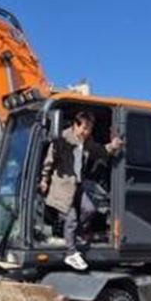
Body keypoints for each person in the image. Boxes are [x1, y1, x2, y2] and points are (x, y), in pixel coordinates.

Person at [38, 111, 123, 271]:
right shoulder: (62, 139)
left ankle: (76, 235)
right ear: (75, 125)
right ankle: (71, 253)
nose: (87, 132)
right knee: (71, 218)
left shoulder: (87, 140)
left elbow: (99, 151)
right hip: (62, 186)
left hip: (78, 184)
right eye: (85, 128)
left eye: (90, 129)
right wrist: (44, 180)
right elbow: (49, 162)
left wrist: (113, 145)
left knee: (90, 209)